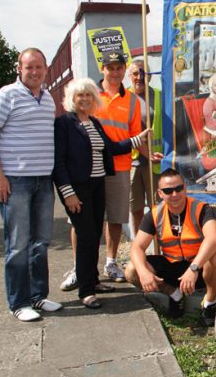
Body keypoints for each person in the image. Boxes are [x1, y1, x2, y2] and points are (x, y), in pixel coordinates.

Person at [0, 47, 63, 321]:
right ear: (20, 68)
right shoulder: (6, 95)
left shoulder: (49, 98)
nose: (35, 71)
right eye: (29, 67)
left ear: (46, 69)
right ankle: (18, 302)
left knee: (40, 242)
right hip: (15, 181)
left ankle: (38, 296)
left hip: (43, 180)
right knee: (17, 244)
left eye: (39, 66)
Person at [53, 78, 149, 309]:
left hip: (98, 185)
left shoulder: (94, 123)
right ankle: (86, 291)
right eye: (80, 96)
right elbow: (59, 163)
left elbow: (112, 148)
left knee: (94, 235)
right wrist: (68, 193)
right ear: (71, 99)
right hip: (78, 189)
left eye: (88, 95)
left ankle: (93, 281)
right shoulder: (64, 123)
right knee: (86, 237)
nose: (84, 99)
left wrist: (139, 138)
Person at [125, 168, 216, 325]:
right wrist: (143, 272)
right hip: (171, 269)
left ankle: (209, 302)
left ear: (185, 188)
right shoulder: (153, 214)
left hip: (198, 271)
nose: (174, 194)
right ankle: (175, 294)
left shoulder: (202, 209)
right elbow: (137, 247)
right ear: (160, 194)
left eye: (178, 188)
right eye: (168, 190)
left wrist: (193, 268)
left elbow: (214, 238)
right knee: (132, 269)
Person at [97, 50, 143, 282]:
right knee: (84, 219)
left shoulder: (132, 100)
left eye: (118, 68)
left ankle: (110, 262)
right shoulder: (90, 94)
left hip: (120, 167)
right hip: (91, 167)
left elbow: (136, 136)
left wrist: (148, 154)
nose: (115, 72)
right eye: (110, 67)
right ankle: (80, 266)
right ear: (102, 69)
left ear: (124, 70)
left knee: (115, 218)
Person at [128, 59, 164, 235]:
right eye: (135, 73)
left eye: (143, 73)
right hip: (132, 163)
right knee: (136, 210)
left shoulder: (158, 95)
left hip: (154, 163)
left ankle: (159, 248)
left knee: (157, 208)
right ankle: (139, 249)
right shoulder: (124, 97)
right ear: (129, 76)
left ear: (149, 76)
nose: (139, 77)